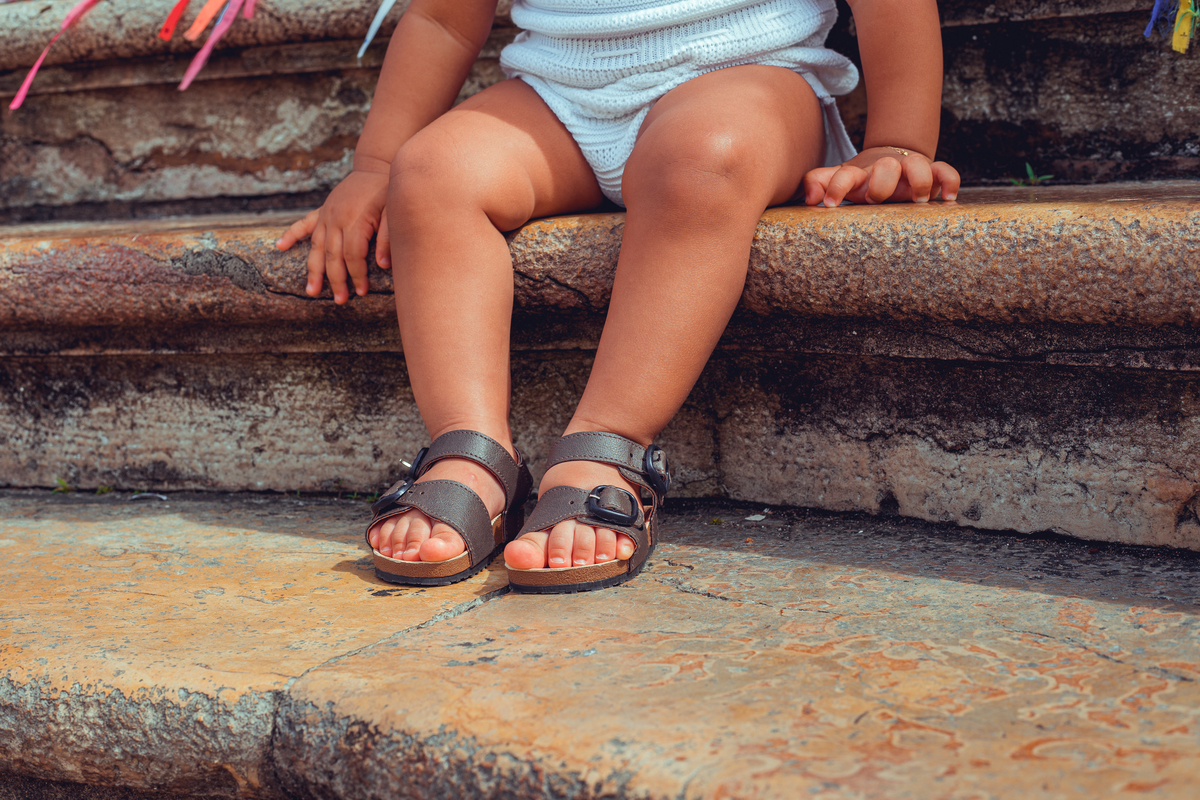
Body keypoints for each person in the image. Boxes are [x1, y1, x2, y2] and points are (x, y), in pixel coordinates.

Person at [276, 0, 959, 593]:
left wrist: (896, 140)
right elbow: (443, 18)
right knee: (428, 173)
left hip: (747, 79)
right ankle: (470, 448)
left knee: (700, 159)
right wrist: (375, 166)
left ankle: (608, 445)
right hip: (558, 98)